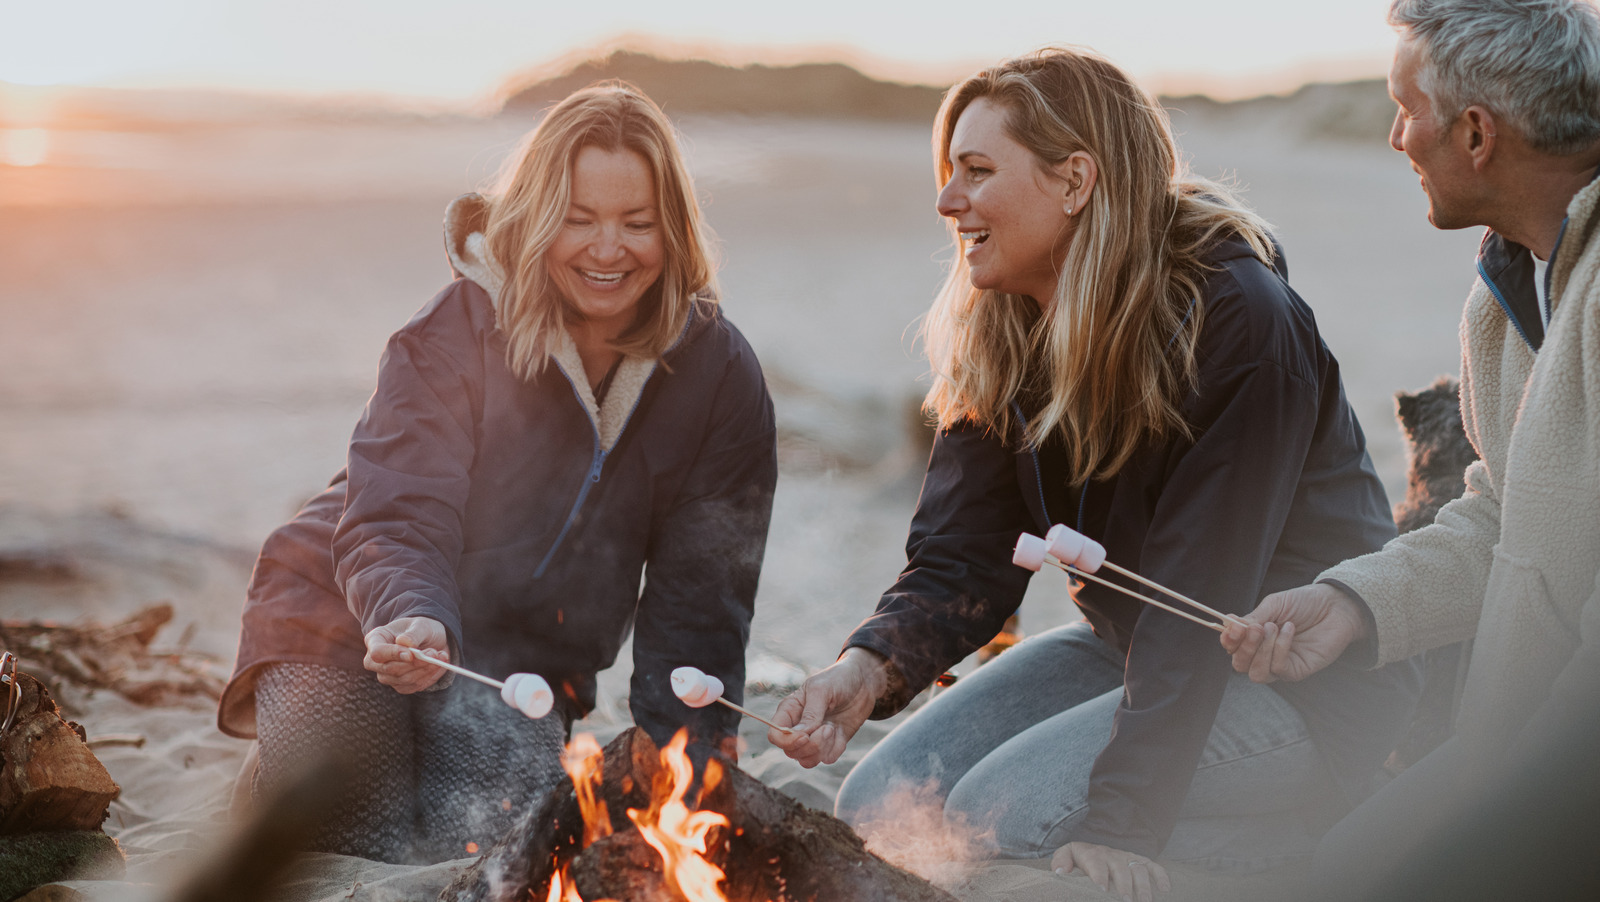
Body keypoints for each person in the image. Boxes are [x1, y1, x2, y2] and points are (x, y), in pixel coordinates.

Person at [767, 48, 1421, 901]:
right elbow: (963, 556)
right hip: (1131, 650)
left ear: (1075, 180)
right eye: (949, 172)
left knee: (1001, 818)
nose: (947, 200)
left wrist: (1125, 819)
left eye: (977, 171)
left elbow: (1198, 588)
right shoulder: (1007, 324)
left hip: (1302, 689)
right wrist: (867, 669)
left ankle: (1322, 841)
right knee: (879, 804)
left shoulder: (1241, 324)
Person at [215, 82, 778, 865]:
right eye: (578, 218)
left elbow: (705, 597)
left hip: (519, 666)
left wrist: (687, 766)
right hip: (350, 619)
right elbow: (399, 510)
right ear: (537, 216)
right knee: (360, 845)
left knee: (490, 852)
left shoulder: (719, 375)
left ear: (674, 228)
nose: (607, 249)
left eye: (637, 222)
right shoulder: (452, 331)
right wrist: (411, 611)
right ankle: (279, 769)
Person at [1220, 0, 1600, 896]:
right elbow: (1506, 513)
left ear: (1476, 134)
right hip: (1514, 744)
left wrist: (1514, 797)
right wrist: (1353, 603)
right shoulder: (1509, 284)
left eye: (1406, 109)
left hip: (1568, 764)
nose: (1396, 137)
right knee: (1343, 867)